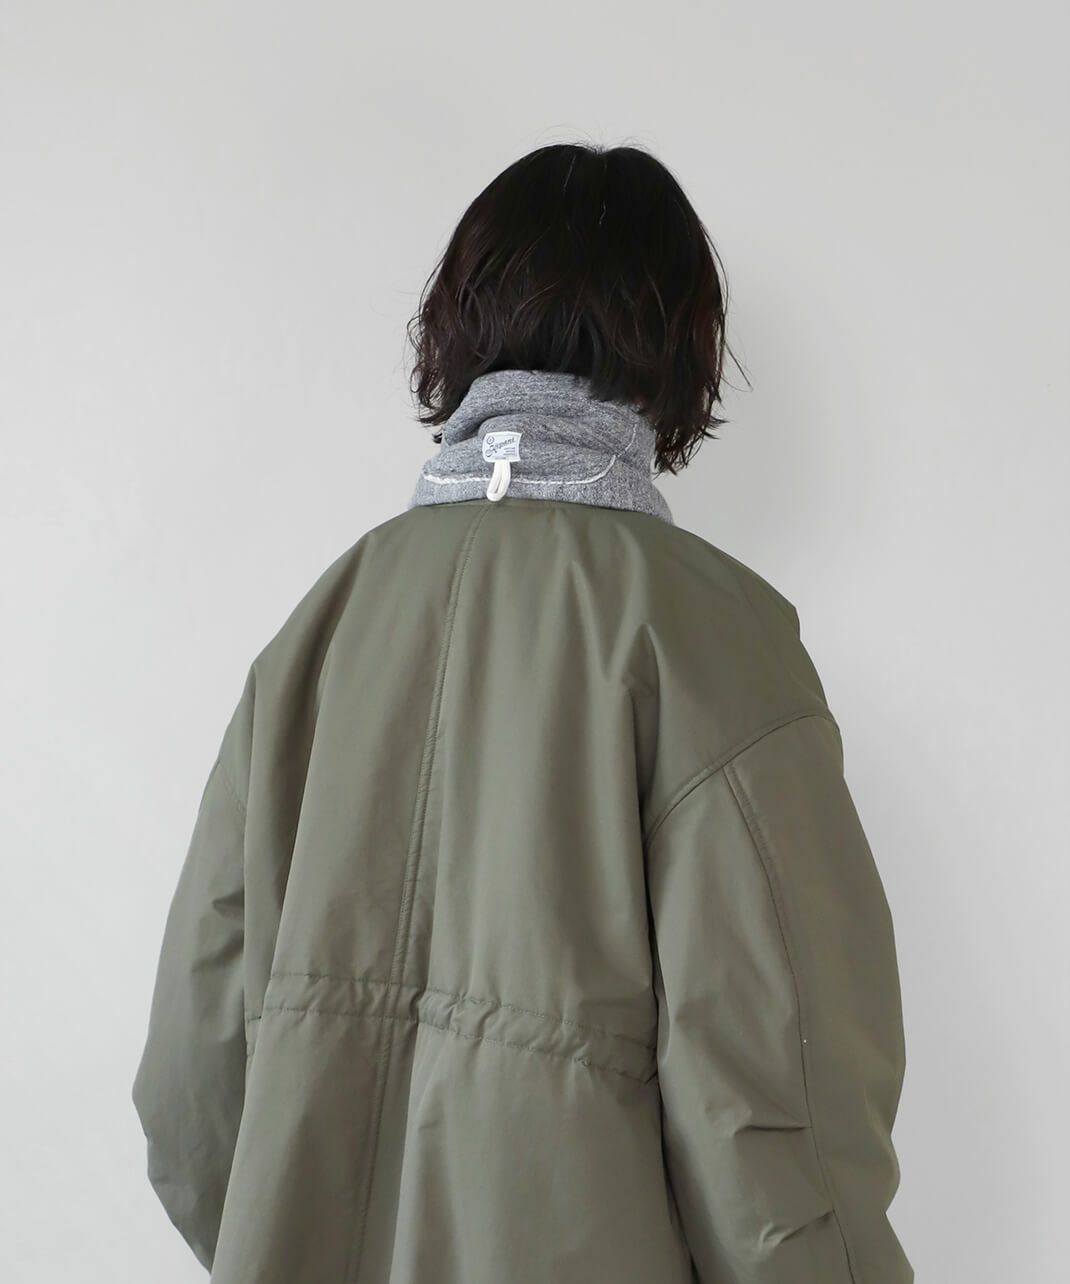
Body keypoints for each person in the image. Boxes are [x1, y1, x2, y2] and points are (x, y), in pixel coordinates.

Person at [132, 142, 912, 1283]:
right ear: (684, 345)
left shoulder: (320, 630)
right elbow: (776, 1103)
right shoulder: (716, 641)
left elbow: (188, 1090)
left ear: (458, 325)